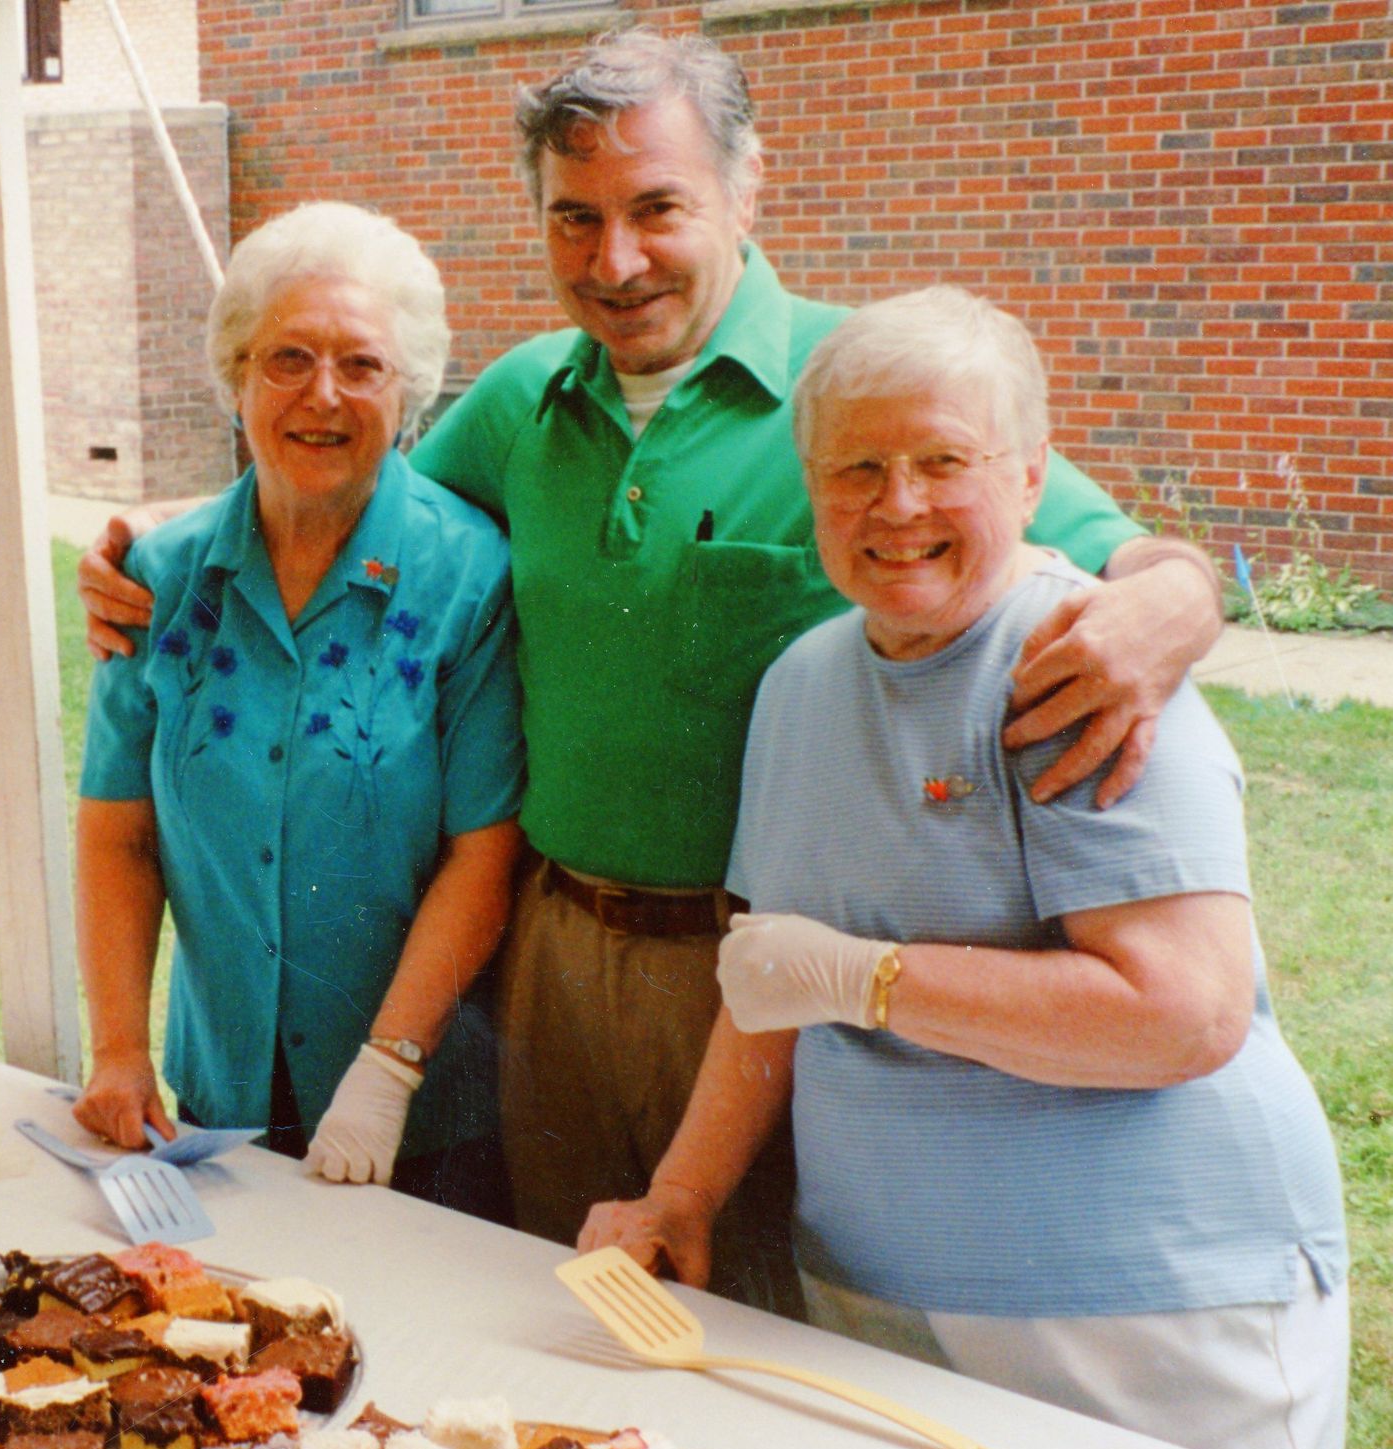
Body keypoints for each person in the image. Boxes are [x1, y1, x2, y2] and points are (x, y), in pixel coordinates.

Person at [77, 30, 1224, 1311]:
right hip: (549, 964)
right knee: (561, 1306)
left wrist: (1174, 599)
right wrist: (160, 546)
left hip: (763, 982)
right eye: (574, 218)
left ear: (745, 188)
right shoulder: (520, 401)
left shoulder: (858, 391)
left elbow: (1100, 539)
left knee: (754, 1316)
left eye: (655, 209)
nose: (614, 261)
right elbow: (341, 490)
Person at [580, 286, 1348, 1449]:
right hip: (871, 1296)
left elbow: (1182, 1013)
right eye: (855, 468)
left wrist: (872, 979)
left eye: (942, 461)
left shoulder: (1082, 665)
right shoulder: (799, 684)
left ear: (1030, 476)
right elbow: (770, 987)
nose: (896, 505)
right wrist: (680, 1194)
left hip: (1144, 1313)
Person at [72, 202, 524, 1219]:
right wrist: (117, 1050)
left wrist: (387, 1070)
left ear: (407, 394)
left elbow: (482, 852)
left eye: (361, 365)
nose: (322, 394)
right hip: (221, 1096)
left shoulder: (466, 575)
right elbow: (117, 832)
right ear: (235, 377)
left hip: (421, 1112)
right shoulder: (157, 577)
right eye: (287, 359)